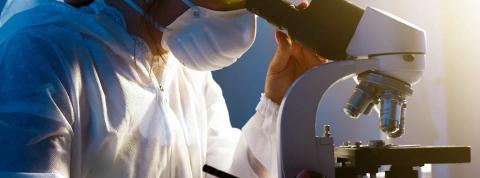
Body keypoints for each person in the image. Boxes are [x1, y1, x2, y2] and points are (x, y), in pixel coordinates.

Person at [0, 0, 325, 177]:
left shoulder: (185, 70)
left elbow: (227, 174)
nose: (243, 16)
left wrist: (276, 103)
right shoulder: (40, 52)